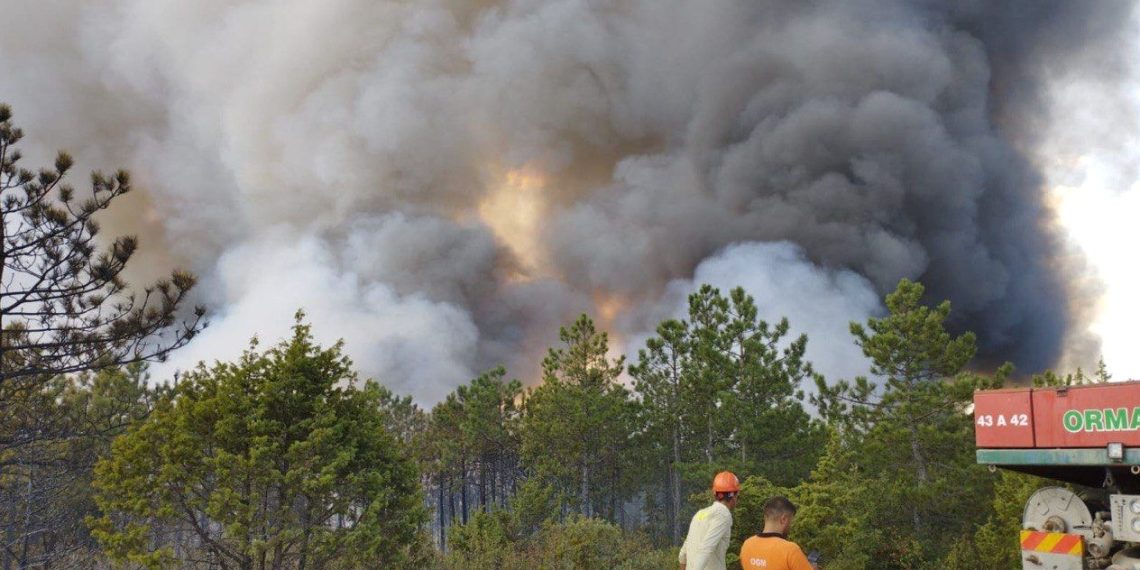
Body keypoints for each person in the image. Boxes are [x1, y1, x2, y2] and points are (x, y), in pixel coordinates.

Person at [679, 471, 740, 570]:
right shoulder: (723, 514)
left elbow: (683, 555)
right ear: (733, 496)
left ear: (715, 494)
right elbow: (706, 548)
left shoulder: (699, 514)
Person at [739, 496, 816, 570]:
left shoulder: (747, 545)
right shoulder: (790, 550)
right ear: (784, 519)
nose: (791, 525)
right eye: (791, 521)